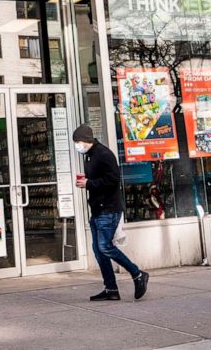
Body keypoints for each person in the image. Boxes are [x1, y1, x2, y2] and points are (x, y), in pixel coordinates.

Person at [72, 123, 149, 302]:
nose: (77, 145)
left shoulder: (104, 154)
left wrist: (89, 184)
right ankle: (111, 288)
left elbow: (113, 179)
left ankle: (137, 274)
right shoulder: (90, 156)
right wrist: (87, 182)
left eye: (78, 141)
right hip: (98, 209)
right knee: (99, 250)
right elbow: (99, 178)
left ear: (86, 140)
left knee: (105, 246)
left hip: (108, 208)